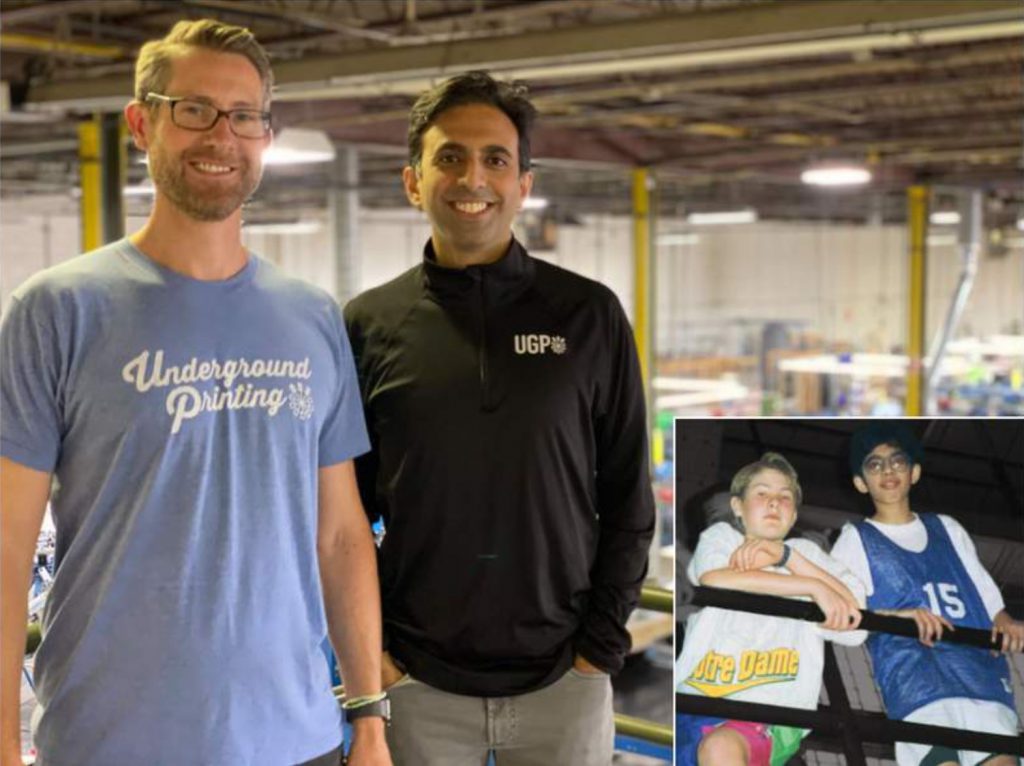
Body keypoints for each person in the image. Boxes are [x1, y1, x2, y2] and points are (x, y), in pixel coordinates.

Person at [0, 20, 391, 766]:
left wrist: (368, 719)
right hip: (112, 744)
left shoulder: (310, 316)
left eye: (245, 116)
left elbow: (341, 536)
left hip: (297, 740)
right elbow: (8, 545)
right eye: (194, 109)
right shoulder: (57, 310)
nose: (222, 135)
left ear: (266, 135)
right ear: (143, 123)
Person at [343, 71, 655, 766]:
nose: (472, 177)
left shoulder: (588, 314)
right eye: (449, 157)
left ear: (524, 184)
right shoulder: (369, 323)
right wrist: (381, 662)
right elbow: (343, 516)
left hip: (562, 685)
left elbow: (628, 496)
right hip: (418, 684)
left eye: (495, 159)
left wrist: (597, 651)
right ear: (413, 181)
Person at [831, 423, 1024, 766]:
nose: (887, 470)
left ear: (914, 472)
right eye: (874, 464)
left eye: (897, 461)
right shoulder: (855, 539)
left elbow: (982, 589)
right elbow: (834, 620)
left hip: (980, 678)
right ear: (860, 481)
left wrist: (1003, 618)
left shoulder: (947, 528)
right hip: (916, 685)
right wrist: (895, 618)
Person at [675, 452, 866, 766]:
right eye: (762, 493)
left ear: (793, 515)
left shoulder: (809, 556)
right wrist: (811, 587)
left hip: (769, 715)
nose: (774, 503)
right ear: (738, 506)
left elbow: (856, 624)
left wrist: (790, 559)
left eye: (785, 497)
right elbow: (715, 578)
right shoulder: (721, 538)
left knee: (721, 748)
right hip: (693, 703)